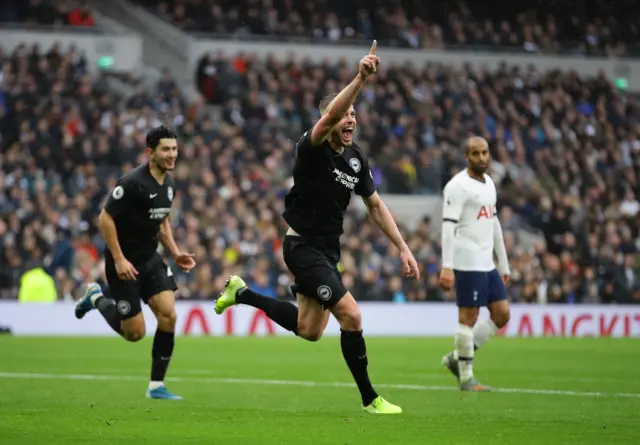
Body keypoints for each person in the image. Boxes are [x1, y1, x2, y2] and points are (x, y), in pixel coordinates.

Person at [214, 41, 420, 414]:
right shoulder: (310, 149)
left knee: (309, 330)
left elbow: (374, 205)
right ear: (329, 121)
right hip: (302, 247)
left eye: (354, 115)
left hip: (327, 251)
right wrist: (360, 78)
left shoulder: (356, 160)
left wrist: (403, 247)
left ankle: (241, 293)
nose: (351, 120)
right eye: (344, 115)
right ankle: (370, 398)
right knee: (352, 316)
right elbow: (328, 119)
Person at [74, 125, 196, 400]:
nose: (172, 154)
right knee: (135, 334)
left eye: (175, 149)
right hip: (124, 264)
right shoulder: (132, 183)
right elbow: (105, 219)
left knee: (169, 315)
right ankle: (96, 297)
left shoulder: (169, 185)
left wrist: (175, 252)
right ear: (150, 152)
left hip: (150, 259)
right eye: (166, 149)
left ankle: (156, 386)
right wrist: (118, 259)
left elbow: (161, 220)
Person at [438, 136, 511, 391]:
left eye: (485, 153)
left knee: (502, 314)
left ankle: (456, 358)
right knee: (468, 317)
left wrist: (503, 263)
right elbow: (448, 228)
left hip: (486, 261)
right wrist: (447, 265)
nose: (481, 158)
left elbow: (494, 223)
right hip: (466, 259)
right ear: (466, 157)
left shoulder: (489, 183)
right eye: (475, 154)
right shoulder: (457, 187)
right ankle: (467, 378)